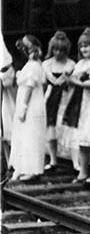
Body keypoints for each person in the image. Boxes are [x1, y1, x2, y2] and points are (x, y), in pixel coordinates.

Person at [63, 28, 90, 188]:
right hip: (79, 104)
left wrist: (74, 81)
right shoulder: (80, 63)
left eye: (88, 45)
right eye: (82, 46)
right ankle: (83, 171)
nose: (84, 49)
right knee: (81, 140)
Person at [10, 35, 46, 181]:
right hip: (24, 101)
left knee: (31, 135)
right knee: (22, 134)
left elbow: (30, 86)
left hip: (31, 104)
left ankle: (32, 169)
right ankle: (20, 167)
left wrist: (24, 107)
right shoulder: (30, 64)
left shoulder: (34, 66)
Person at [42, 31, 76, 172]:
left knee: (68, 128)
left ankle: (76, 163)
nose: (58, 53)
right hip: (51, 97)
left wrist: (63, 79)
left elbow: (66, 78)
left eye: (62, 50)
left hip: (66, 96)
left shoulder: (71, 63)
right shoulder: (47, 64)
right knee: (51, 128)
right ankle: (53, 159)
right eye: (56, 49)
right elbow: (49, 79)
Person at [1, 34, 16, 167]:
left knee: (8, 131)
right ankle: (7, 160)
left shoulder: (6, 66)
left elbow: (7, 81)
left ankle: (13, 160)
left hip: (6, 103)